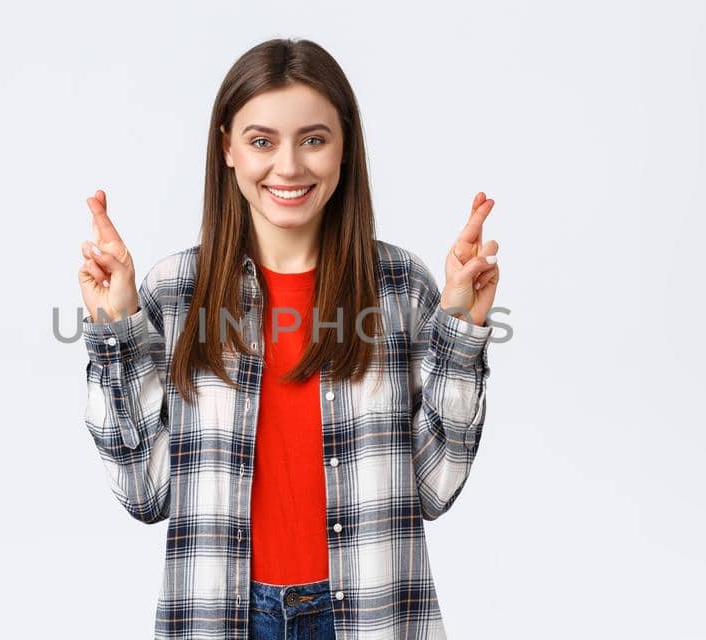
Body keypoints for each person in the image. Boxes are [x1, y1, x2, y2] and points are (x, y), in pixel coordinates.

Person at [76, 38, 500, 640]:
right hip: (221, 617)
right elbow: (145, 493)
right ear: (227, 147)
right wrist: (116, 329)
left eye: (313, 139)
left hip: (372, 617)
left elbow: (435, 487)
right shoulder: (177, 291)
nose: (289, 167)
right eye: (261, 141)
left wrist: (459, 324)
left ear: (344, 148)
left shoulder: (401, 287)